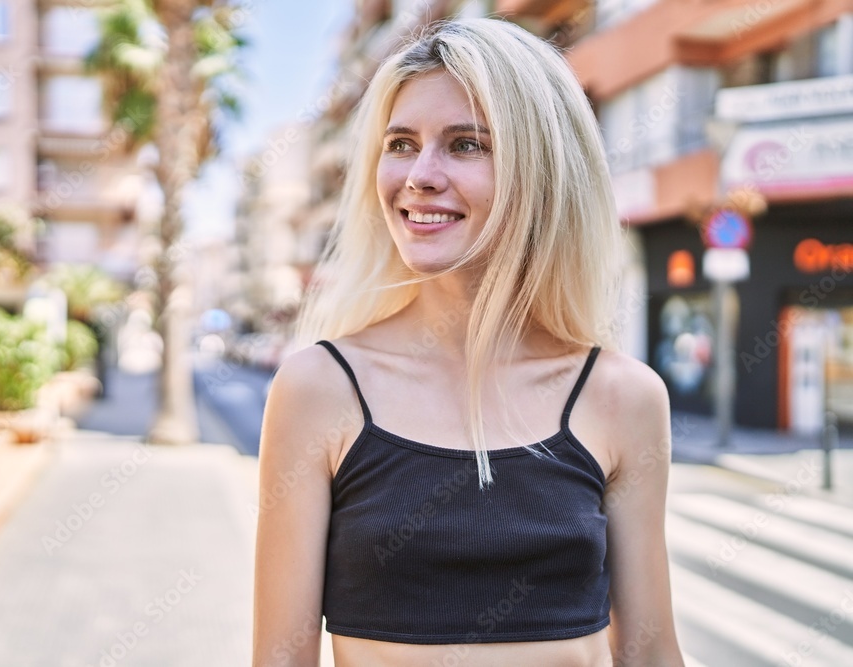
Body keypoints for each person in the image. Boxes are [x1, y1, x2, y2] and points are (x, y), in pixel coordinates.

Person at [253, 17, 685, 667]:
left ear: (539, 168)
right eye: (401, 143)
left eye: (465, 144)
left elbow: (649, 655)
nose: (419, 175)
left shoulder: (624, 397)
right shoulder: (317, 388)